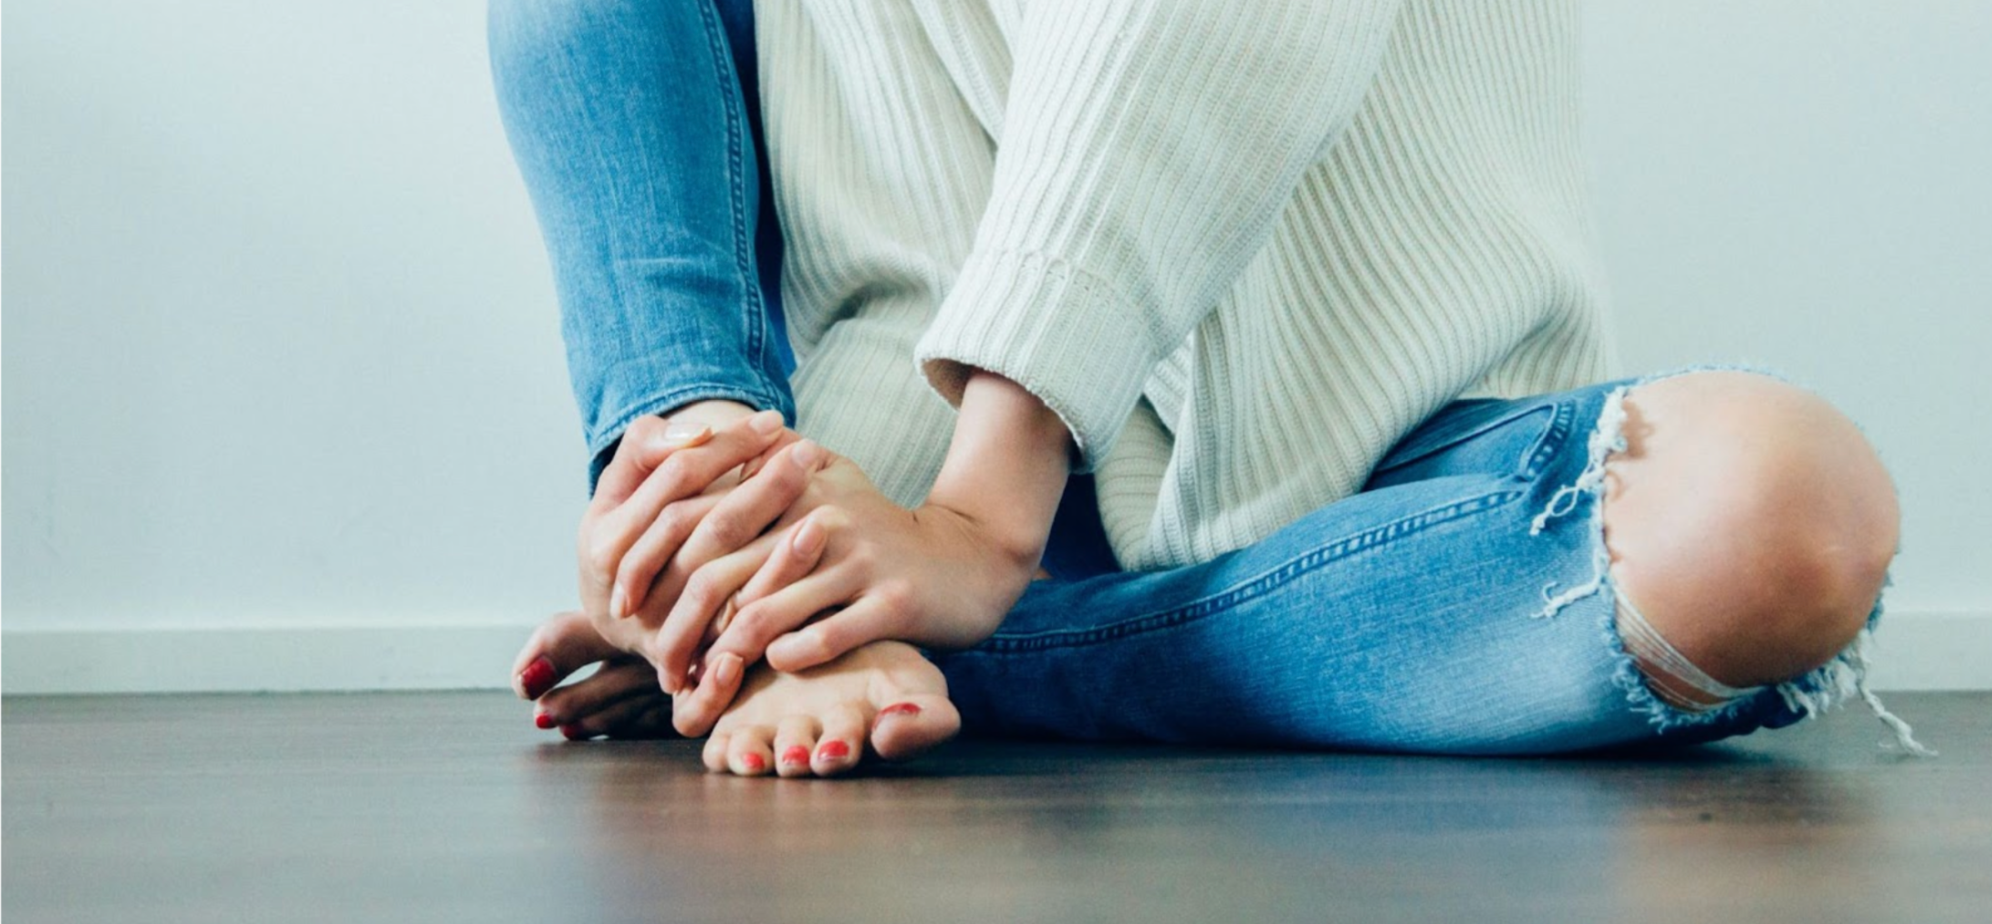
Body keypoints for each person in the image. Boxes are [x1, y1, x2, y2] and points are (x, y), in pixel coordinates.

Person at [488, 0, 1928, 778]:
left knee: (1782, 512)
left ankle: (898, 646)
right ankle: (728, 551)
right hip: (888, 477)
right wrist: (742, 504)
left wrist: (979, 530)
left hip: (1384, 473)